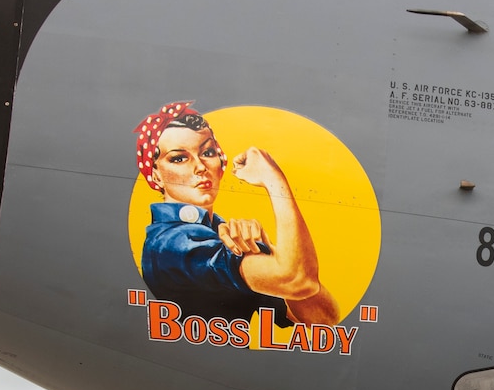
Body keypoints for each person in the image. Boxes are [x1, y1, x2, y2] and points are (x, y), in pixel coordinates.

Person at [133, 101, 340, 326]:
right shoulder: (173, 242)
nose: (200, 167)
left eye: (207, 152)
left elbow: (323, 318)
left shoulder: (218, 234)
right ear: (155, 175)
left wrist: (268, 248)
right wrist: (274, 180)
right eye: (179, 158)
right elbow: (297, 280)